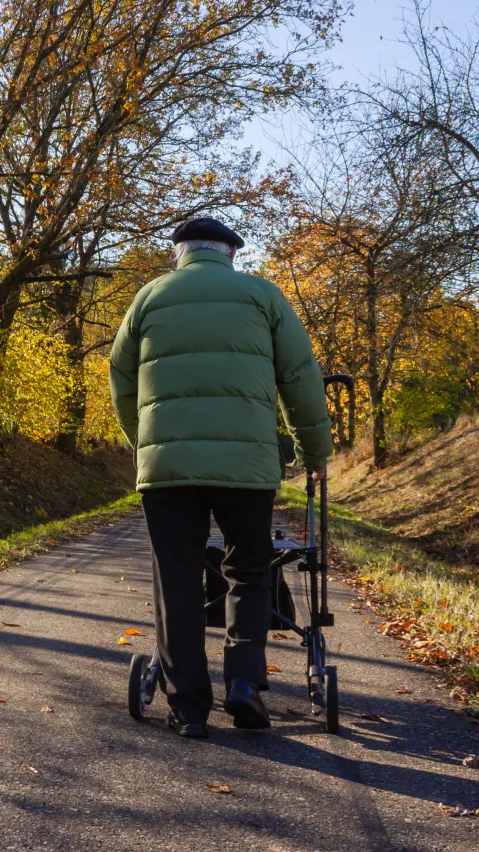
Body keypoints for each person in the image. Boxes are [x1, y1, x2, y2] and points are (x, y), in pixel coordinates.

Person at [109, 216, 332, 739]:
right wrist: (313, 451)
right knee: (249, 569)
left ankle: (188, 706)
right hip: (246, 467)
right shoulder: (262, 296)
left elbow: (121, 378)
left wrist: (143, 443)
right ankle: (244, 685)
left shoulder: (148, 298)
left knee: (178, 578)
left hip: (167, 470)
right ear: (230, 253)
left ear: (179, 253)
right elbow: (300, 376)